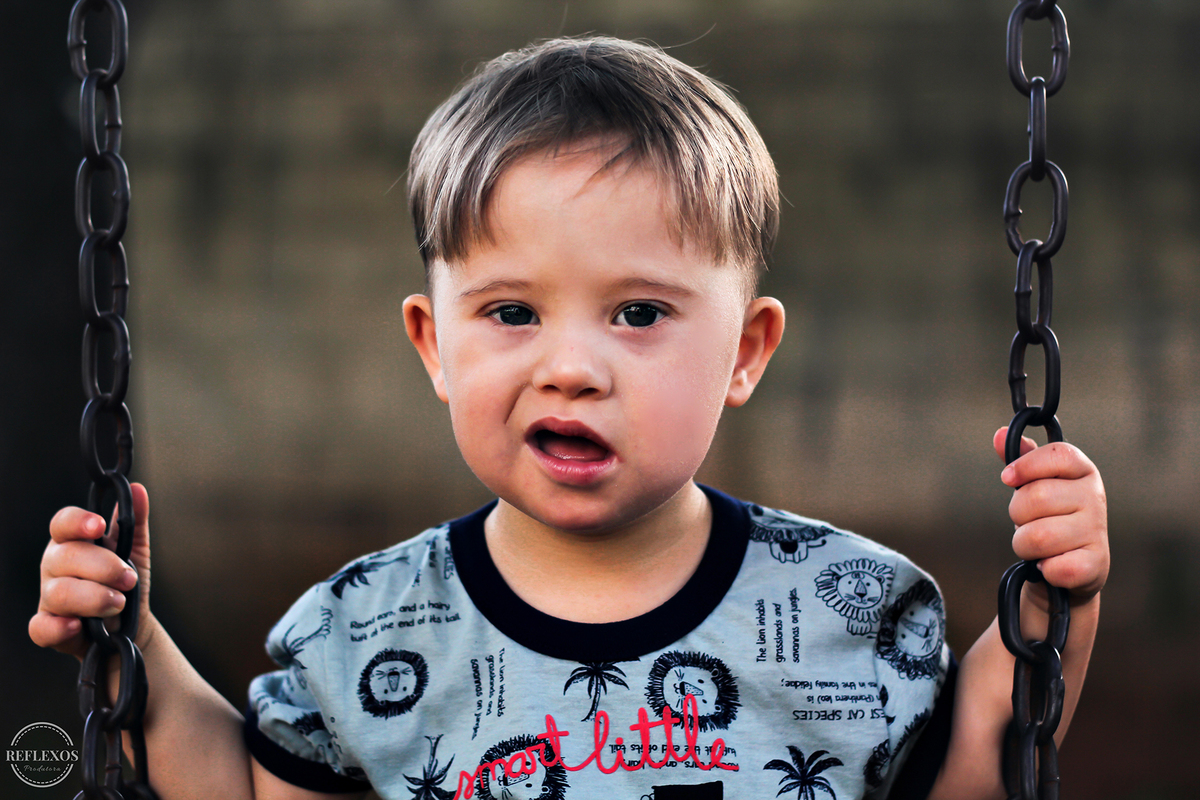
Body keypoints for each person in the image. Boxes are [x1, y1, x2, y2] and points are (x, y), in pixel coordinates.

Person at [31, 36, 1108, 800]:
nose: (572, 367)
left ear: (744, 350)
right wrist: (128, 648)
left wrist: (1066, 589)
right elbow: (241, 786)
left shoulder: (845, 609)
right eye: (511, 312)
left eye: (638, 313)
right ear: (433, 344)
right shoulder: (366, 630)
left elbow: (979, 766)